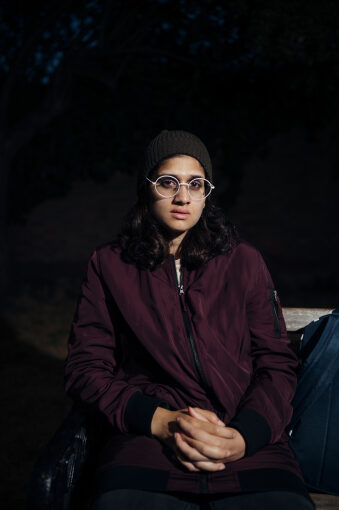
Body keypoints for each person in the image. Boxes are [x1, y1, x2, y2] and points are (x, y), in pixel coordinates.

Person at [64, 130, 315, 509]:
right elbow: (86, 368)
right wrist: (159, 421)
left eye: (195, 184)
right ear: (146, 189)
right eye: (168, 182)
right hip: (148, 442)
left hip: (245, 438)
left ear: (205, 194)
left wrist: (245, 435)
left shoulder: (244, 262)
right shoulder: (110, 265)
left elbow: (277, 363)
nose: (182, 196)